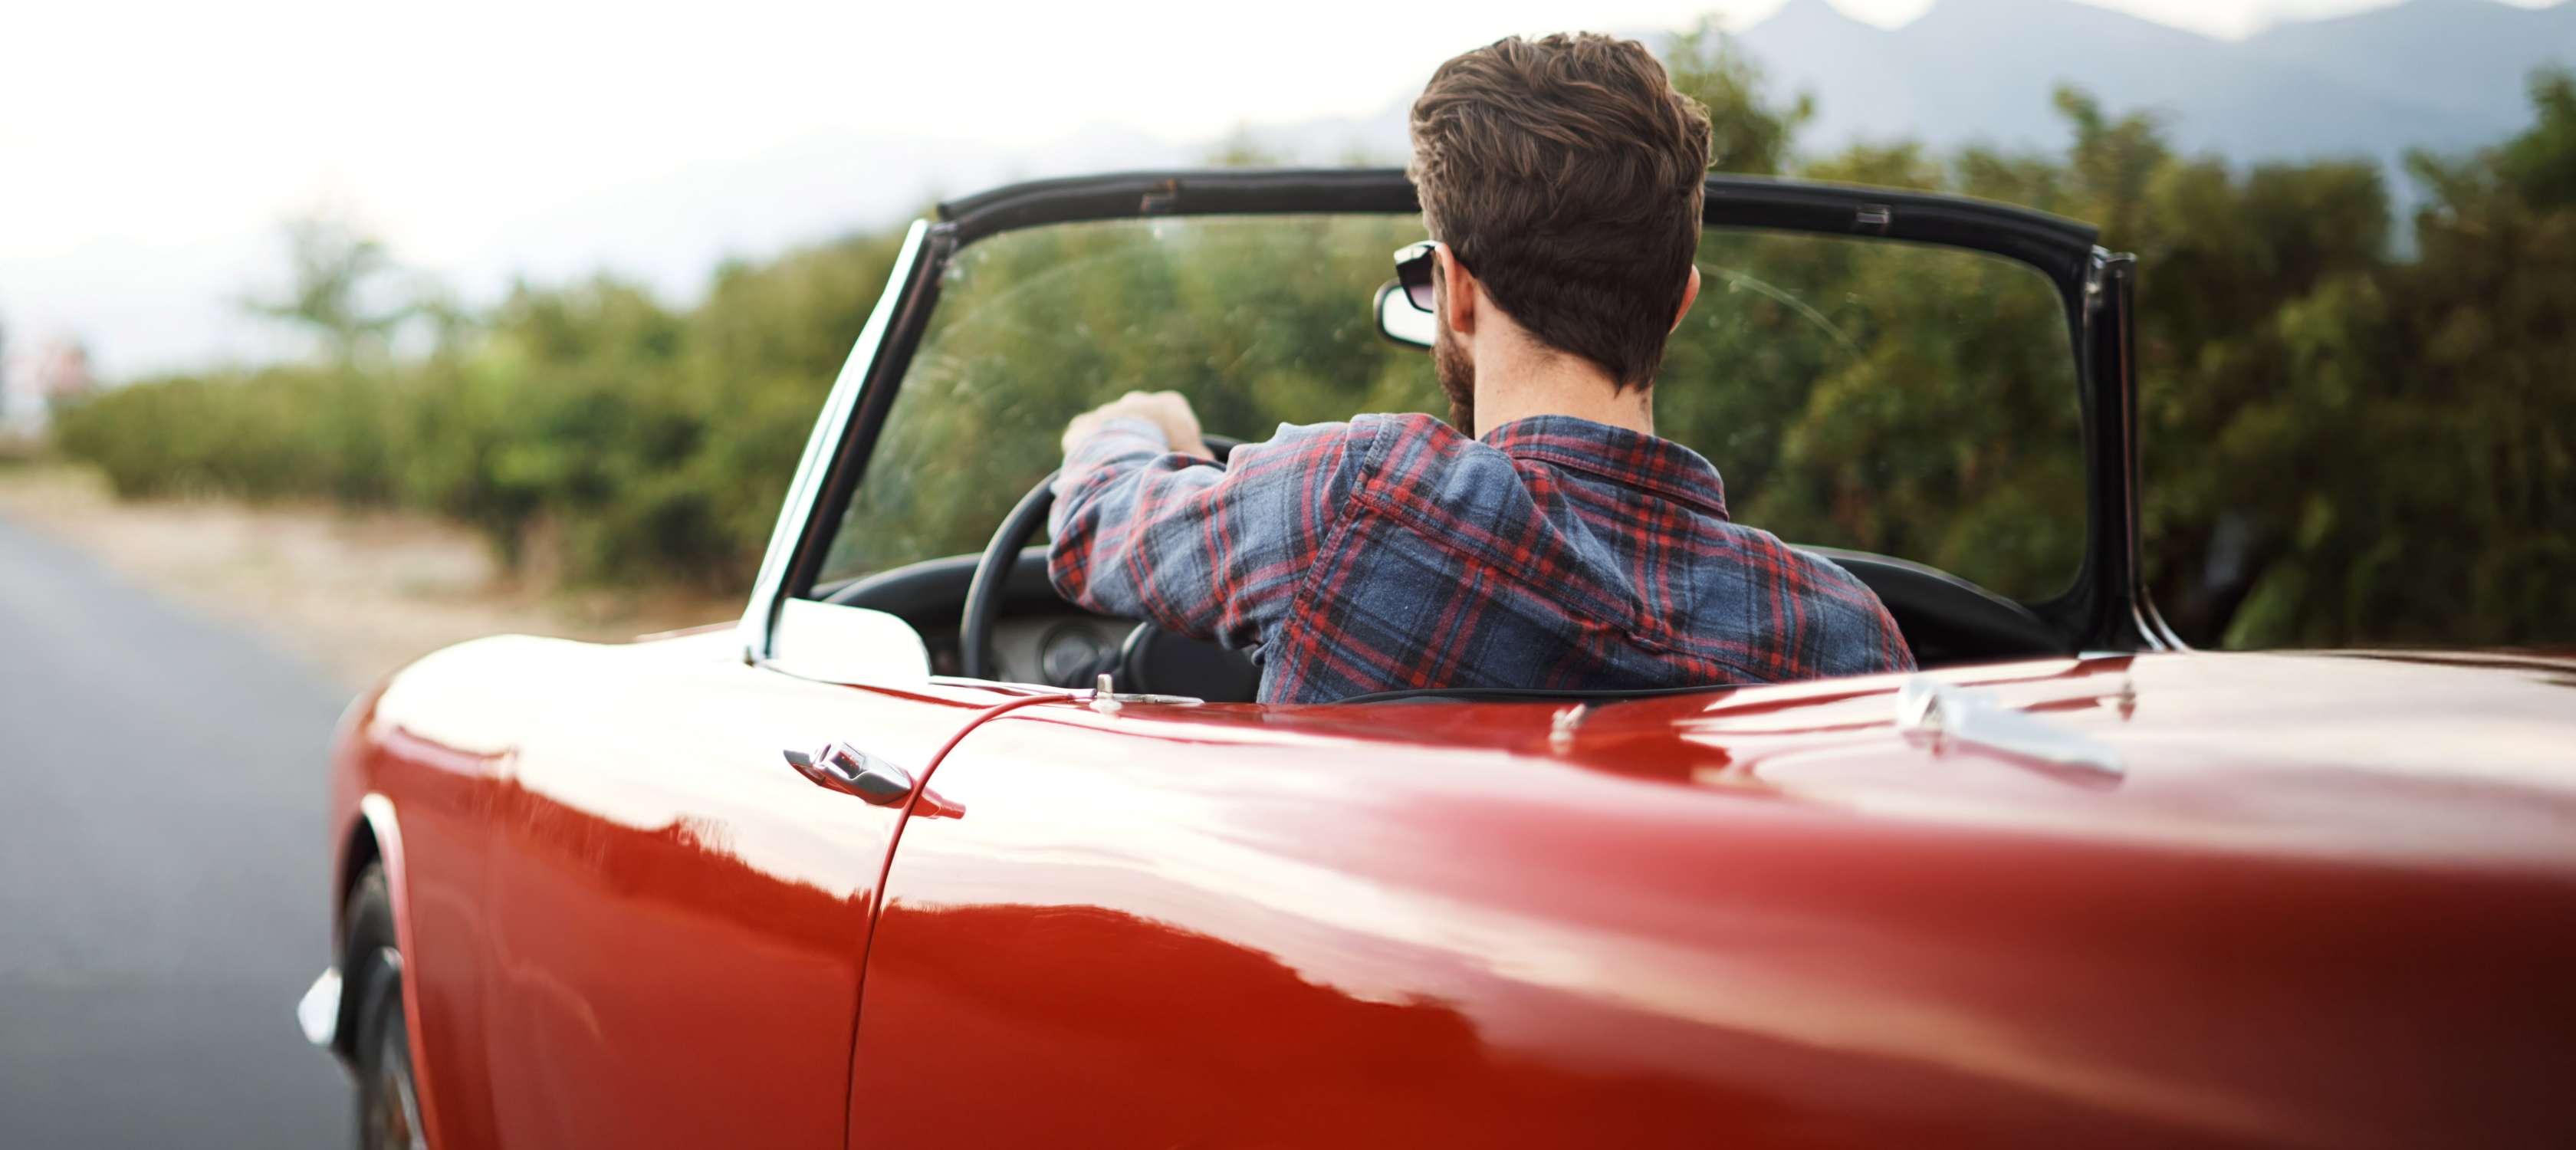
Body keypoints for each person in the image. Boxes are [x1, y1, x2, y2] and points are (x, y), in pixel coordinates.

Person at [1047, 32, 1915, 703]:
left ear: (1455, 289)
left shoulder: (1354, 498)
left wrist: (1129, 429)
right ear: (1678, 301)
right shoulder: (1848, 638)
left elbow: (1090, 527)